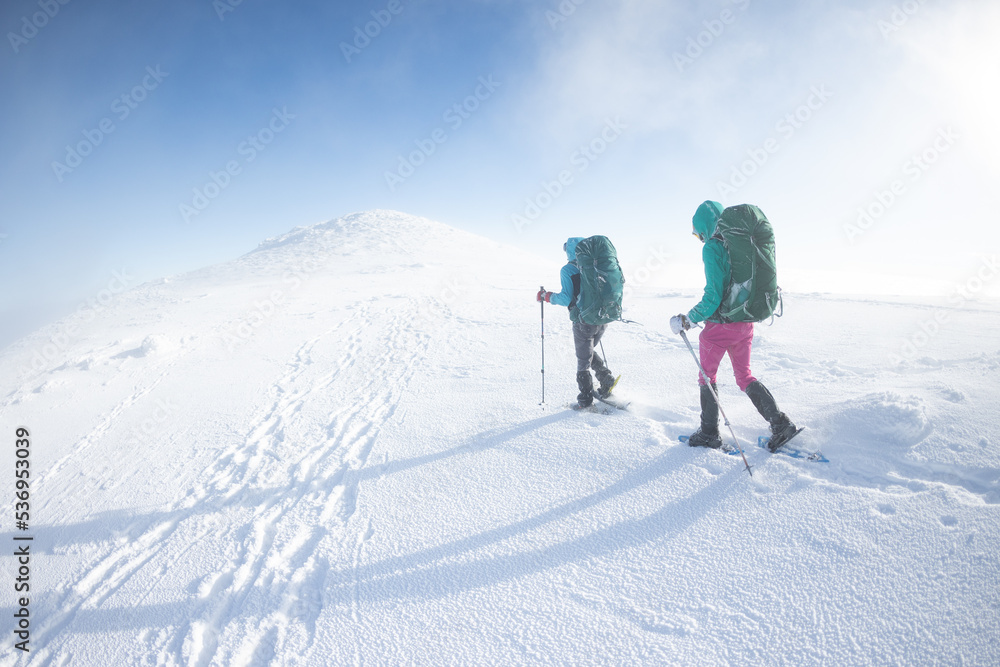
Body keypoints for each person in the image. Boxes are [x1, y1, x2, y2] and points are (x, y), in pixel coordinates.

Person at [670, 201, 798, 450]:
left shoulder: (712, 247)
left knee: (706, 377)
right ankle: (781, 424)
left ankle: (709, 433)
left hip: (720, 327)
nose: (700, 238)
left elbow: (713, 296)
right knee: (744, 376)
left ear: (705, 226)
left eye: (698, 233)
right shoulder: (737, 243)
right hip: (745, 322)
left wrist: (688, 319)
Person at [537, 237, 617, 408]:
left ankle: (585, 399)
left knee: (583, 359)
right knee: (587, 351)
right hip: (603, 318)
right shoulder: (595, 267)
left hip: (583, 320)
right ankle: (605, 378)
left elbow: (566, 298)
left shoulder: (568, 269)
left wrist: (547, 296)